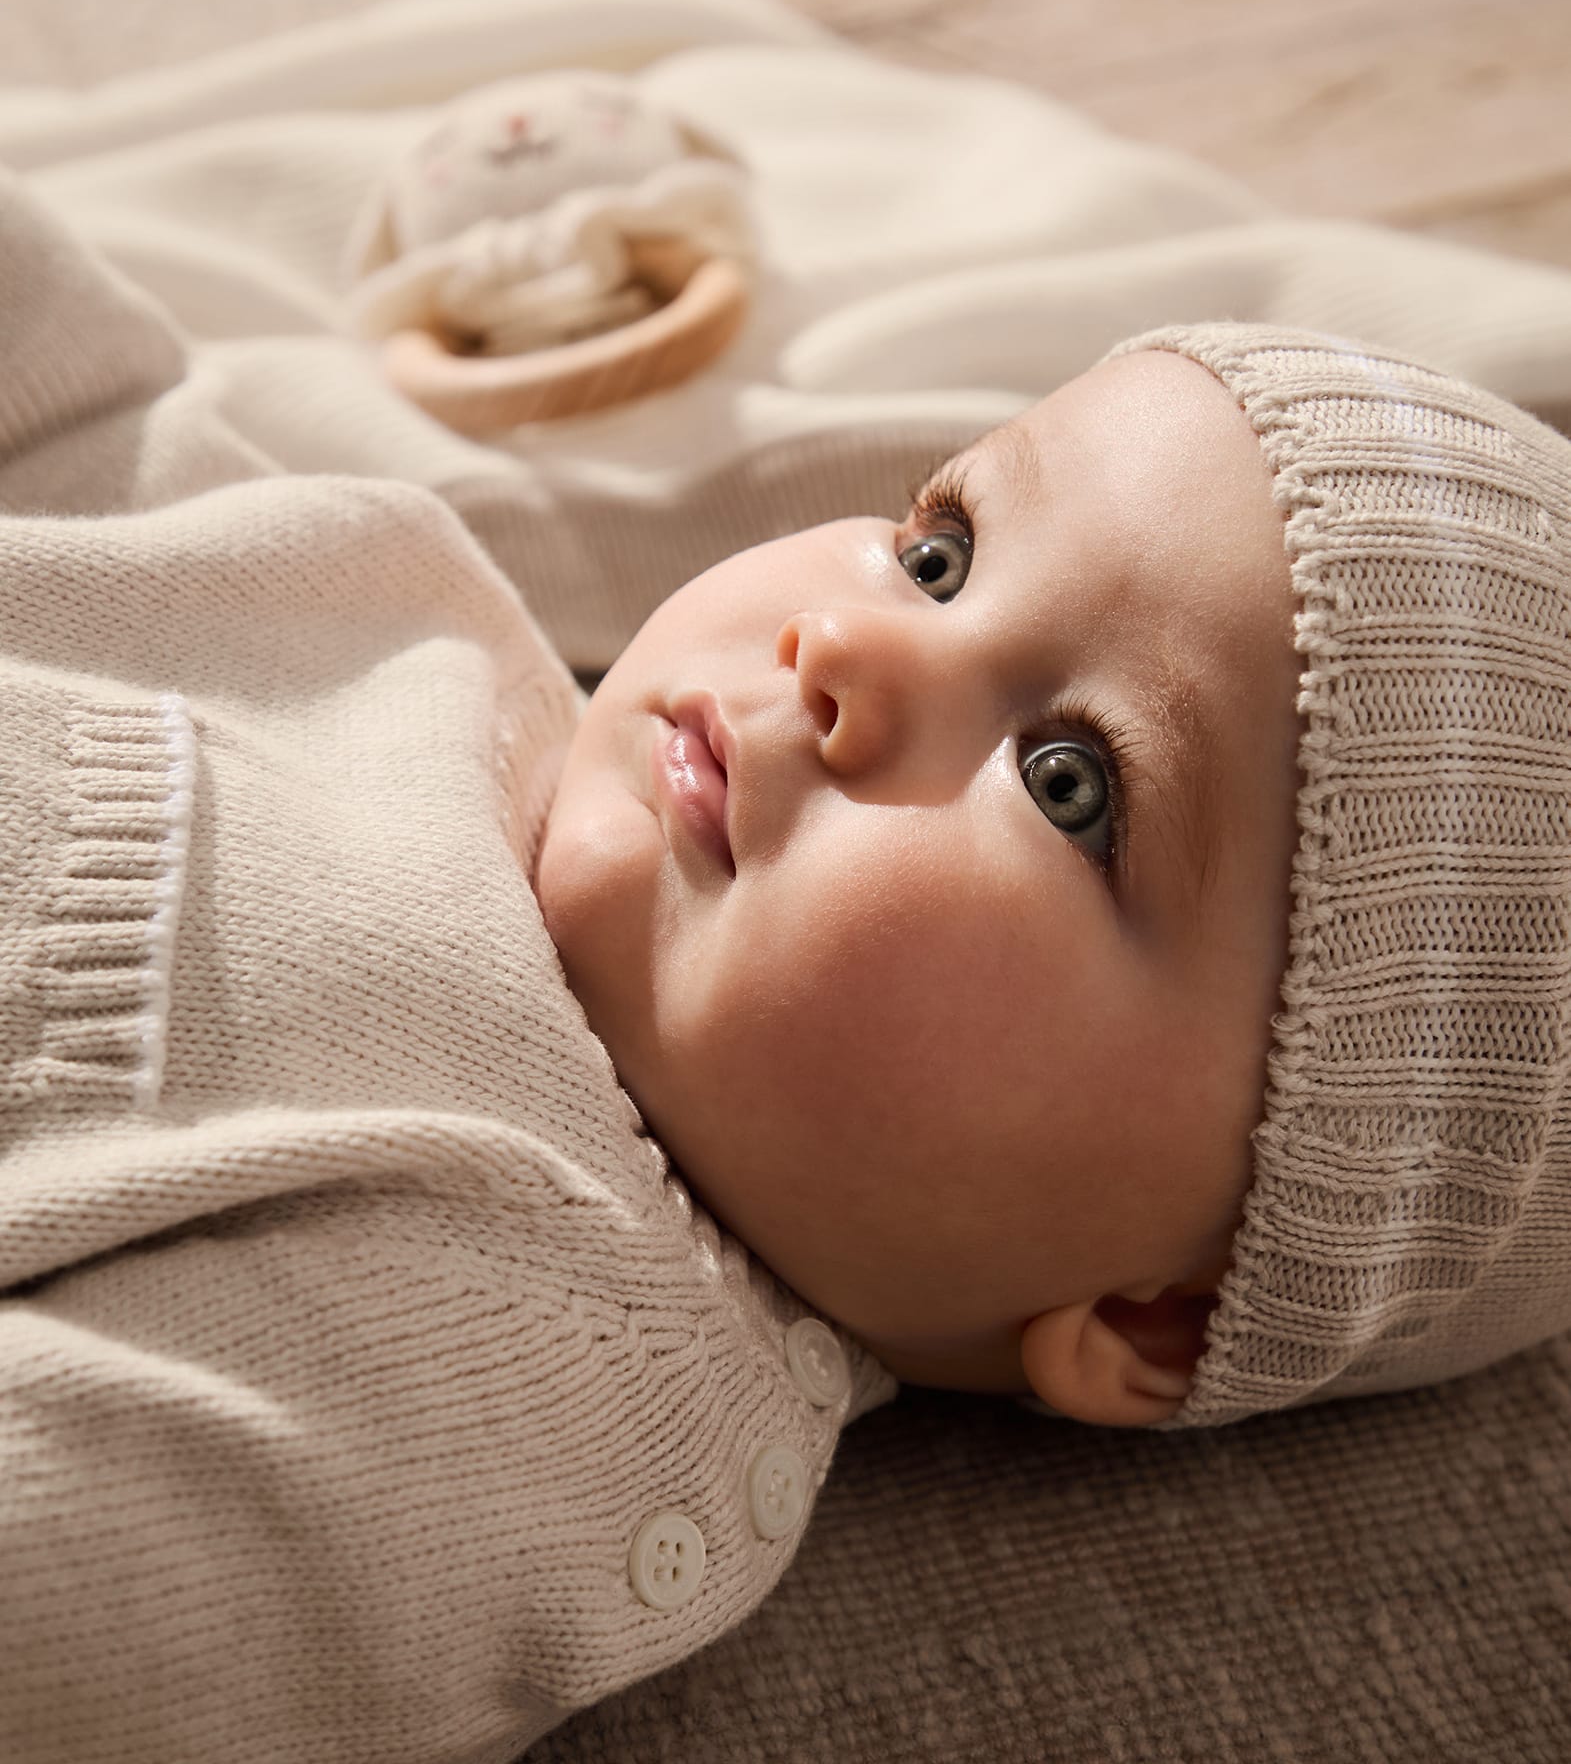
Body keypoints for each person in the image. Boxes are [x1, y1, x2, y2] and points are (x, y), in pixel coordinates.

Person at [2, 170, 1568, 1761]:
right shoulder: (423, 611)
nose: (847, 648)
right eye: (942, 553)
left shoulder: (537, 1383)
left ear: (1157, 1319)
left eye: (1068, 782)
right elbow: (89, 427)